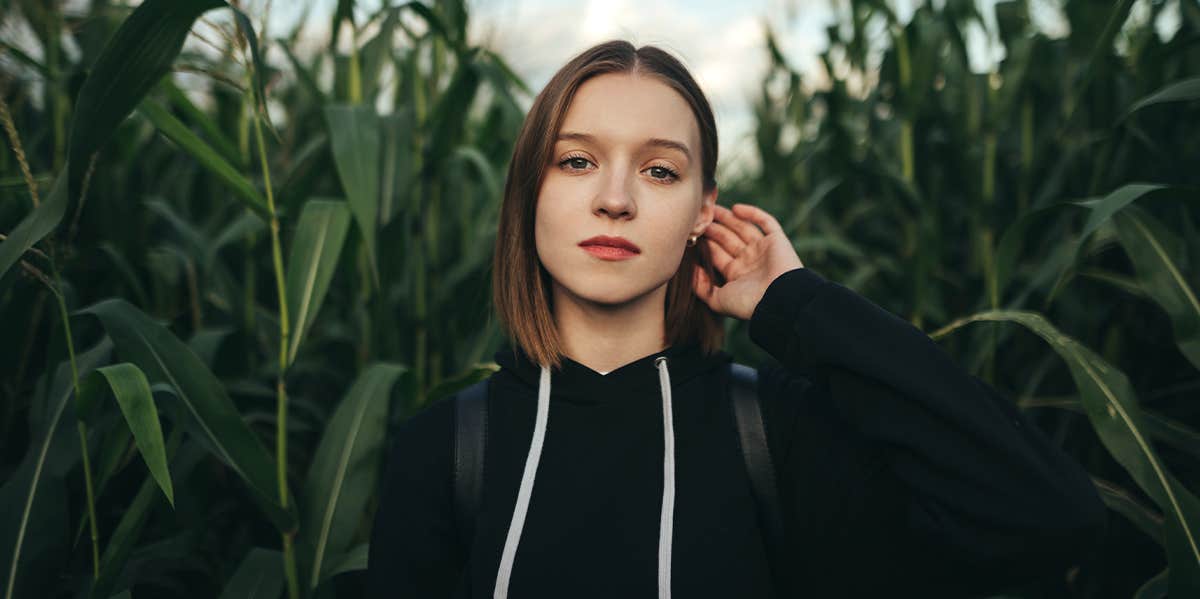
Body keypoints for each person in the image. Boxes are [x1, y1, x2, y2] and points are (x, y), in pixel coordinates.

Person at [365, 40, 1108, 598]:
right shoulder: (449, 449)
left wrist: (795, 303)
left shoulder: (775, 434)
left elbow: (1049, 515)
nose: (616, 198)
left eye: (660, 170)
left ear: (702, 212)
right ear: (530, 192)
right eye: (577, 161)